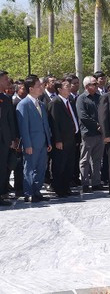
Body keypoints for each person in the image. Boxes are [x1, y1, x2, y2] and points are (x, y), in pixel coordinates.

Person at [16, 75, 52, 202]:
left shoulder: (41, 104)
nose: (41, 88)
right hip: (31, 143)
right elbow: (23, 127)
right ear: (31, 89)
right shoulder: (23, 105)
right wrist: (27, 145)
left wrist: (48, 141)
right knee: (29, 169)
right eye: (38, 86)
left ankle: (37, 191)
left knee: (41, 168)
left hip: (42, 143)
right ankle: (28, 192)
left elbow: (45, 124)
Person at [47, 79, 80, 198]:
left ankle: (66, 187)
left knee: (69, 165)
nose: (69, 87)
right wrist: (58, 140)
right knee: (59, 165)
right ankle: (59, 188)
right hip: (61, 140)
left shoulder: (70, 100)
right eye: (66, 86)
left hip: (71, 138)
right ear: (59, 89)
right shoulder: (55, 103)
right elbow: (54, 123)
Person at [76, 76, 103, 193]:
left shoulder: (99, 97)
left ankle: (96, 182)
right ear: (87, 86)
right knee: (85, 160)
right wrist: (97, 125)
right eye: (94, 84)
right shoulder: (81, 99)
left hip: (99, 134)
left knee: (97, 160)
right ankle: (85, 183)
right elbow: (83, 116)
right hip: (88, 133)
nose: (97, 86)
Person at [0, 70, 19, 206]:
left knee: (3, 168)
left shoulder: (6, 99)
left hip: (5, 141)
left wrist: (13, 139)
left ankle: (2, 194)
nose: (8, 81)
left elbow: (11, 121)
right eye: (5, 79)